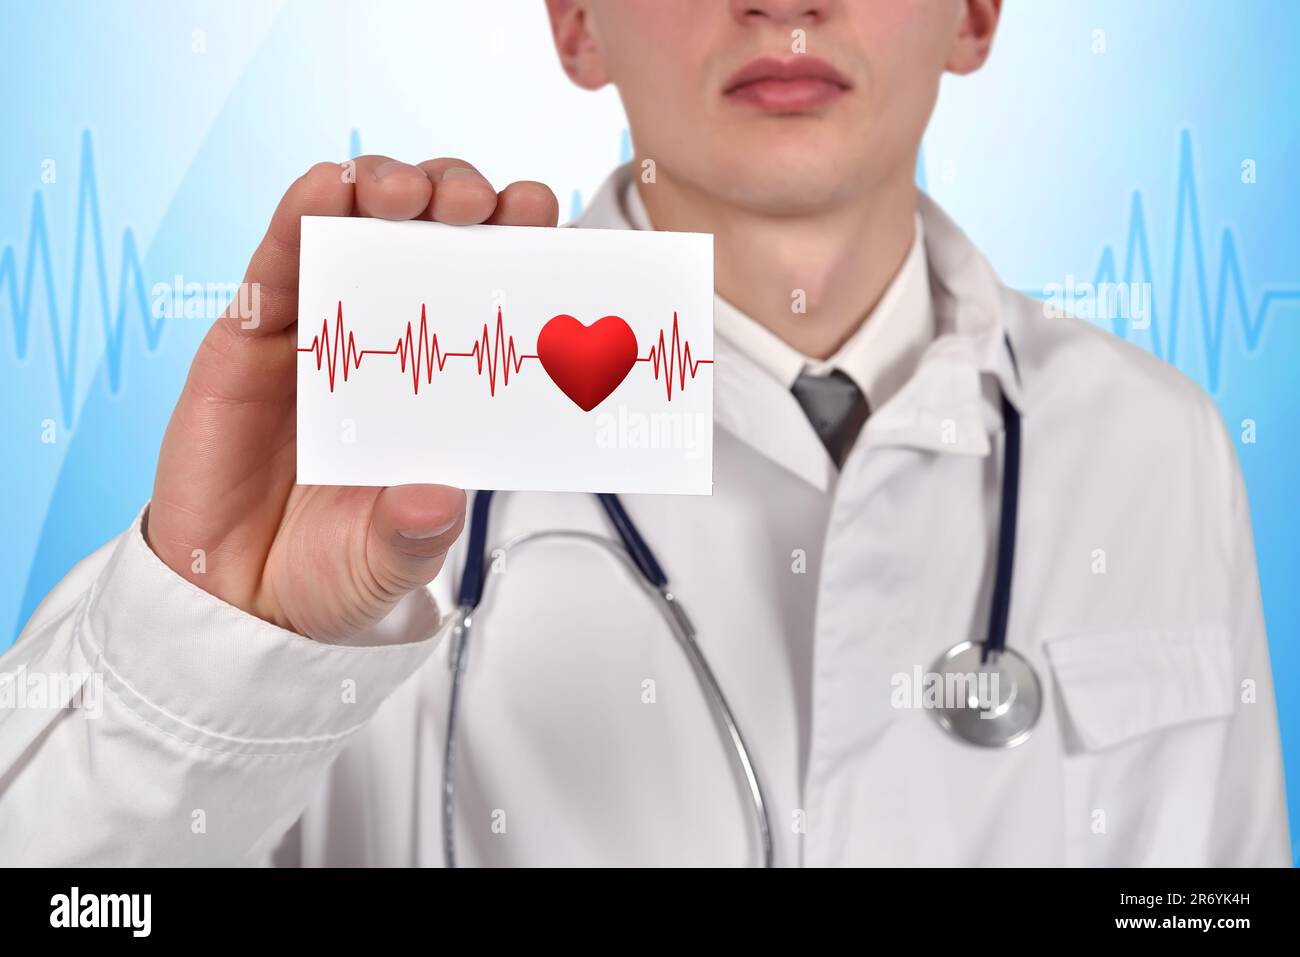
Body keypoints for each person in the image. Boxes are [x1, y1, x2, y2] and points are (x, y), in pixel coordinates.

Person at [0, 0, 1289, 866]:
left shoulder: (1157, 450)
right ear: (574, 19)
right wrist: (211, 641)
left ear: (978, 10)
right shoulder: (368, 430)